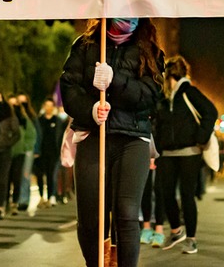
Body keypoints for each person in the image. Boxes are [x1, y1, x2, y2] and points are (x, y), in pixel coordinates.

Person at [59, 17, 165, 267]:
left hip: (132, 139)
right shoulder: (85, 46)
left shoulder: (149, 50)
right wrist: (91, 109)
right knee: (90, 219)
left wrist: (115, 80)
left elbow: (151, 95)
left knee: (126, 215)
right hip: (92, 136)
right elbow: (69, 86)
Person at [152, 55, 218, 254]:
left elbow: (211, 112)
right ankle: (176, 230)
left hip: (190, 152)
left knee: (187, 196)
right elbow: (157, 123)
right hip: (167, 153)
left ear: (170, 75)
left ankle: (191, 238)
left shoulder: (189, 92)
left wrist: (200, 137)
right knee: (166, 193)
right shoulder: (164, 99)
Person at [0, 98, 21, 219]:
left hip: (5, 152)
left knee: (1, 180)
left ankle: (1, 206)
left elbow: (17, 134)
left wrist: (7, 143)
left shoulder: (10, 117)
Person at [35, 98, 66, 208]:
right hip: (41, 152)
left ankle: (51, 196)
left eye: (50, 106)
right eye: (46, 105)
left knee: (51, 175)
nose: (48, 108)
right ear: (44, 107)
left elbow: (61, 136)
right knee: (40, 175)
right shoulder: (39, 121)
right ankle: (41, 196)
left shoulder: (58, 121)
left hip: (54, 152)